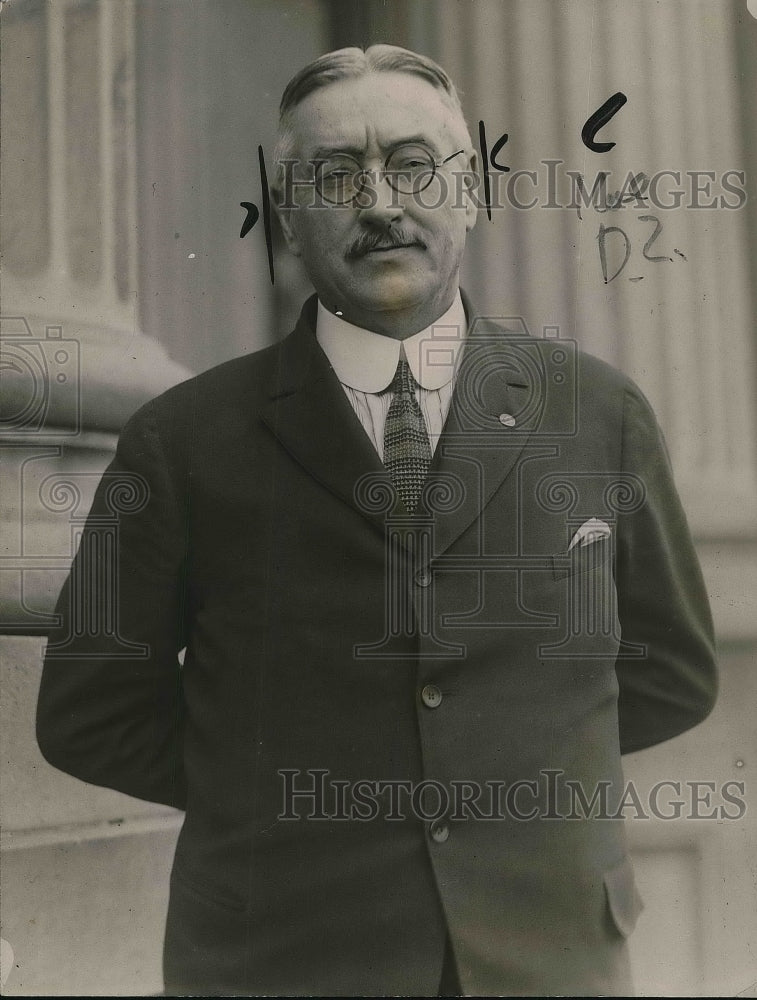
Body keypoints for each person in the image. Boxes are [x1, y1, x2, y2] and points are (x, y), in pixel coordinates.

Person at [36, 45, 717, 997]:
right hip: (282, 954)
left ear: (470, 191)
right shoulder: (178, 439)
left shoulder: (596, 415)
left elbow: (673, 674)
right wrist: (279, 788)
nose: (379, 199)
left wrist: (512, 775)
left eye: (411, 164)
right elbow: (87, 716)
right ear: (287, 217)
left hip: (546, 950)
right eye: (334, 174)